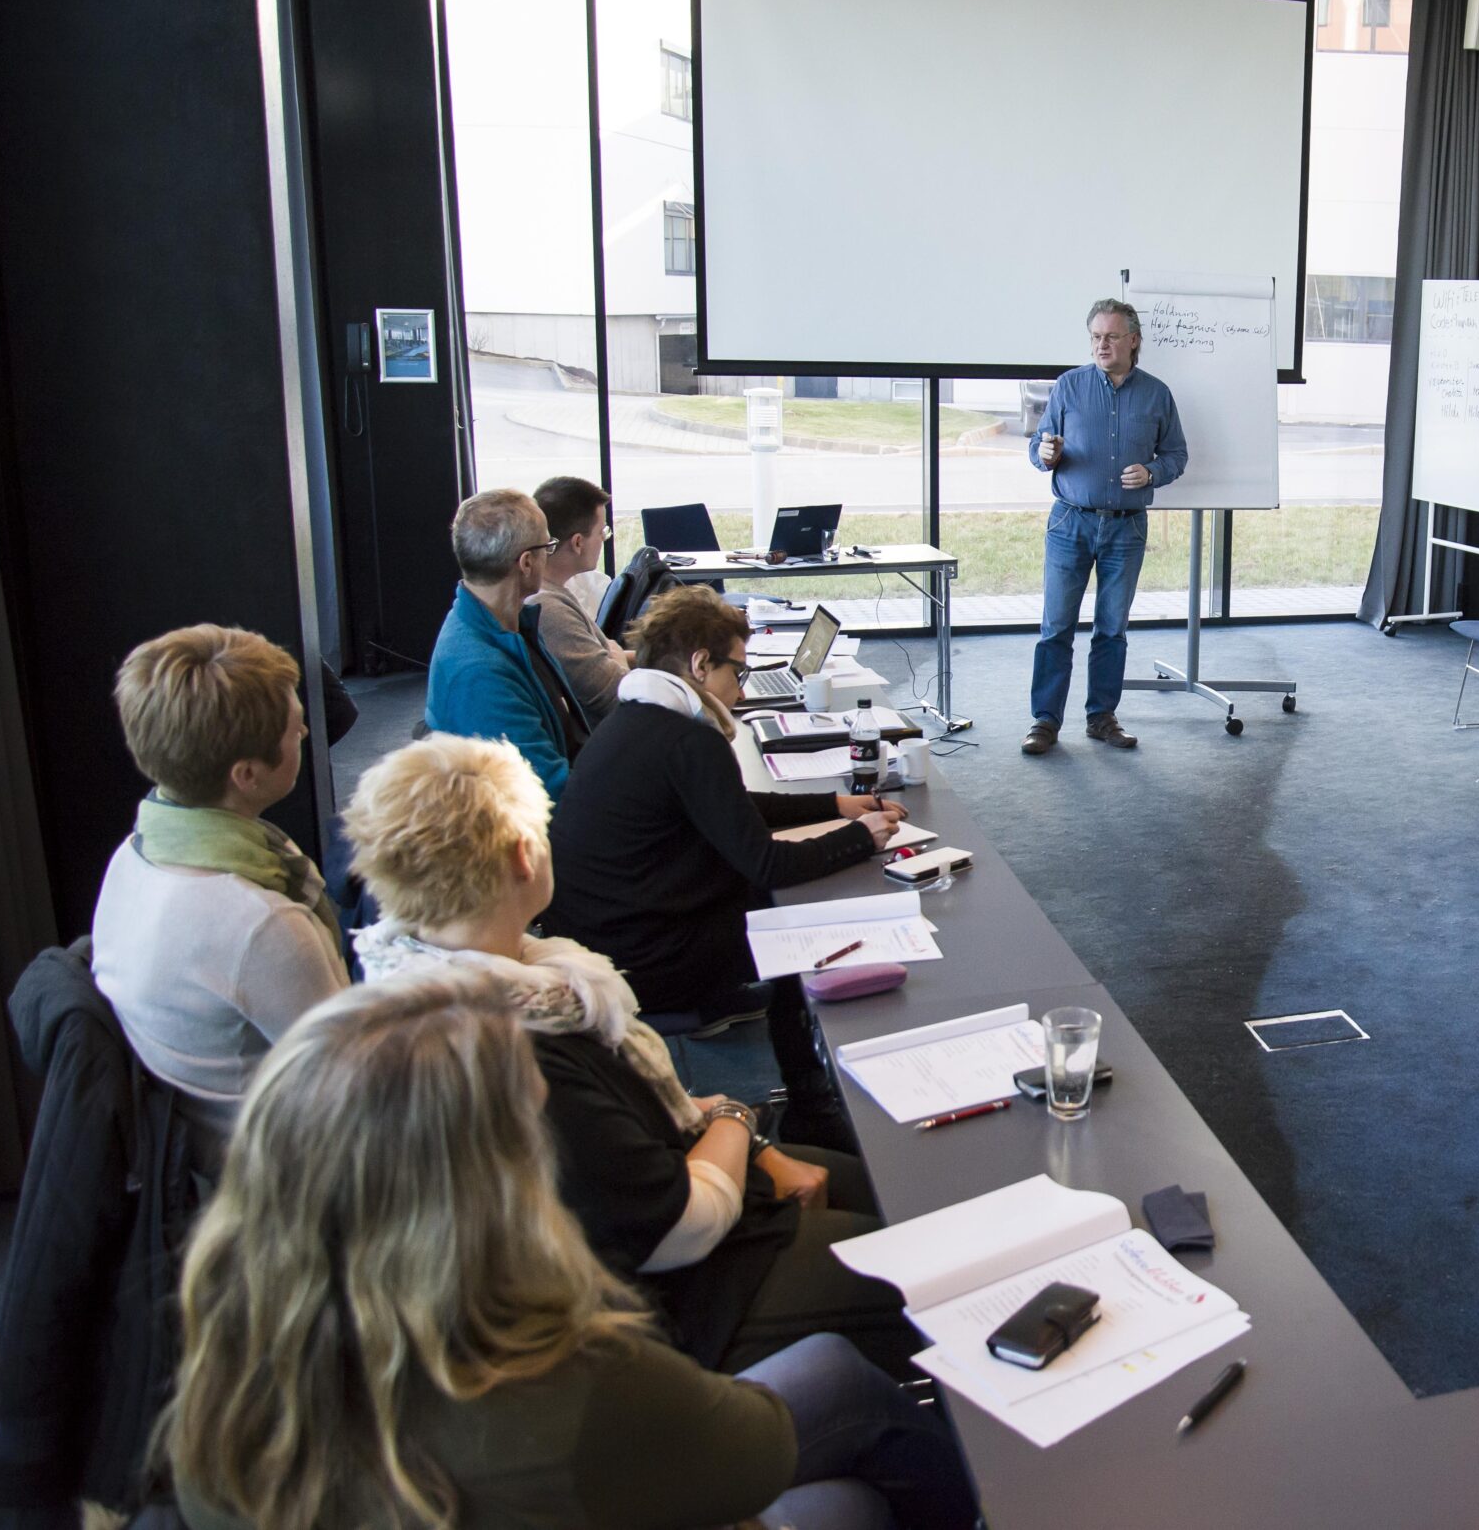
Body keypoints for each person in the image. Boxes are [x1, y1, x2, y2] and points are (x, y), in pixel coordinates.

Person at [161, 967, 978, 1530]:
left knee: (833, 1385)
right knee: (849, 1490)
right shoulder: (563, 1378)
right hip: (664, 1445)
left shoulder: (224, 1398)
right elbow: (751, 1452)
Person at [342, 735, 922, 1380]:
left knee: (889, 1188)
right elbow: (678, 1227)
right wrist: (737, 1119)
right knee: (920, 1260)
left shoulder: (481, 984)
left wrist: (741, 1139)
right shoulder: (510, 1042)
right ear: (523, 856)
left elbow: (633, 1125)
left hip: (664, 1191)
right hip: (671, 1295)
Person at [540, 586, 903, 1147]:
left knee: (769, 903)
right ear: (700, 665)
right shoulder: (688, 740)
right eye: (739, 672)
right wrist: (859, 837)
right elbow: (766, 863)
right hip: (643, 957)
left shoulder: (634, 718)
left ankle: (807, 1090)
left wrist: (833, 806)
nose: (742, 688)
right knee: (788, 923)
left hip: (603, 938)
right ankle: (811, 1102)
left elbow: (724, 804)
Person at [89, 625, 348, 1161]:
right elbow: (356, 1084)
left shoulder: (134, 857)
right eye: (294, 729)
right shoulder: (261, 924)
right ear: (248, 775)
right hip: (287, 1173)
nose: (303, 731)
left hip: (204, 1149)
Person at [1023, 297, 1187, 755]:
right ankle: (1045, 721)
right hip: (1070, 523)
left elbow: (1177, 455)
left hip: (1125, 528)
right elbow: (1040, 444)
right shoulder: (1069, 386)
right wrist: (1046, 454)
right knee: (1056, 626)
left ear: (1133, 341)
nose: (1102, 345)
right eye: (1096, 337)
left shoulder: (1157, 394)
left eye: (1111, 337)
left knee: (1111, 629)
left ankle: (1101, 717)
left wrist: (1153, 472)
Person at [426, 488, 581, 798]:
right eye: (548, 546)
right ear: (526, 563)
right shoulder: (479, 673)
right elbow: (547, 791)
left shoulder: (510, 626)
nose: (549, 554)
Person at [532, 474, 633, 723]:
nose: (604, 539)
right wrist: (619, 659)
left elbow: (605, 655)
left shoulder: (557, 590)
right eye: (603, 532)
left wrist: (669, 656)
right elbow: (619, 698)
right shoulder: (549, 610)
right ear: (578, 542)